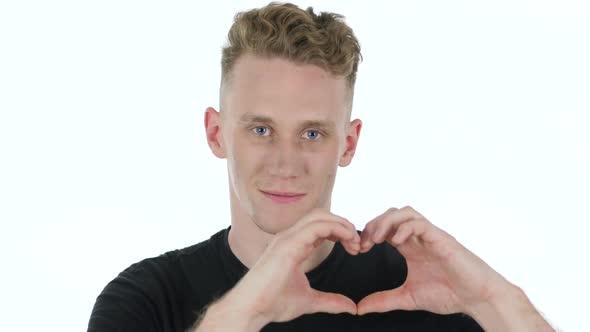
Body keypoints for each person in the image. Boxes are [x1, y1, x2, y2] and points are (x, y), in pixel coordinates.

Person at [88, 2, 554, 331]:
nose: (286, 163)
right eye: (261, 130)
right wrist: (242, 315)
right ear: (216, 133)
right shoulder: (145, 300)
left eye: (312, 133)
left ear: (348, 144)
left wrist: (492, 302)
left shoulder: (421, 286)